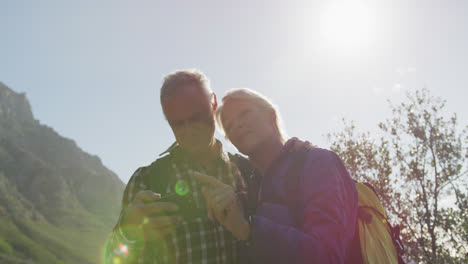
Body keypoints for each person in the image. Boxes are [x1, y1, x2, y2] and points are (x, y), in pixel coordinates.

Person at [194, 88, 359, 263]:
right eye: (229, 126)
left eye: (244, 113)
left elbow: (329, 256)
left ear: (271, 116)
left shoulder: (319, 162)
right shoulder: (248, 190)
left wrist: (248, 229)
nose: (237, 125)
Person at [104, 70, 253, 264]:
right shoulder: (146, 180)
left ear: (213, 103)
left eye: (197, 117)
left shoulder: (249, 173)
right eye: (178, 124)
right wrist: (129, 233)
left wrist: (246, 229)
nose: (190, 130)